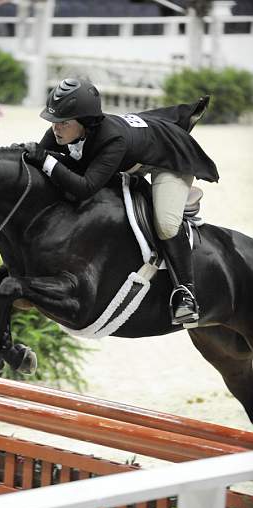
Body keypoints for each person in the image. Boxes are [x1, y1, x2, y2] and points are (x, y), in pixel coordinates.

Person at [24, 78, 219, 326]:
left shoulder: (112, 139)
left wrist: (47, 162)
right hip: (134, 152)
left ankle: (185, 292)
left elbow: (85, 187)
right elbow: (41, 164)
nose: (55, 128)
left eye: (63, 122)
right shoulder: (62, 132)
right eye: (53, 121)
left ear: (84, 121)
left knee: (166, 224)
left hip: (167, 158)